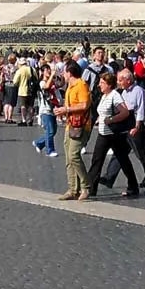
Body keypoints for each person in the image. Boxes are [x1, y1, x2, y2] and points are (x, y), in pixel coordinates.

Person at [84, 71, 139, 199]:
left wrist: (111, 119)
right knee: (100, 160)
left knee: (120, 160)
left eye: (102, 83)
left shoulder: (115, 96)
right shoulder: (105, 95)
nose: (99, 85)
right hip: (103, 132)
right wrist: (100, 118)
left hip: (112, 134)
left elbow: (125, 112)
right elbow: (103, 111)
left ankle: (133, 186)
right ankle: (91, 188)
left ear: (109, 84)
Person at [97, 69, 145, 189]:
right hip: (124, 126)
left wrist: (137, 126)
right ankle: (109, 177)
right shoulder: (122, 92)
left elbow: (141, 110)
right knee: (119, 153)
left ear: (128, 80)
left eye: (120, 80)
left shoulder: (138, 91)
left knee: (141, 153)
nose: (118, 82)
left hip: (134, 125)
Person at [56, 61, 92, 200]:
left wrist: (67, 109)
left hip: (81, 125)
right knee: (68, 159)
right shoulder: (70, 86)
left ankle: (86, 186)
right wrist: (62, 111)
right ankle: (72, 189)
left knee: (74, 156)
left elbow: (84, 105)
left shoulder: (81, 85)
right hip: (70, 125)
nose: (63, 75)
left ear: (69, 73)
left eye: (65, 72)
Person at [33, 62, 61, 156]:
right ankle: (50, 150)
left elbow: (60, 84)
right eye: (46, 70)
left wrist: (61, 75)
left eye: (49, 69)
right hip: (45, 109)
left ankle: (39, 143)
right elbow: (46, 87)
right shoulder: (42, 82)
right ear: (42, 72)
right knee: (50, 131)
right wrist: (52, 75)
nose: (49, 71)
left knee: (54, 131)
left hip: (53, 108)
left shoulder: (52, 82)